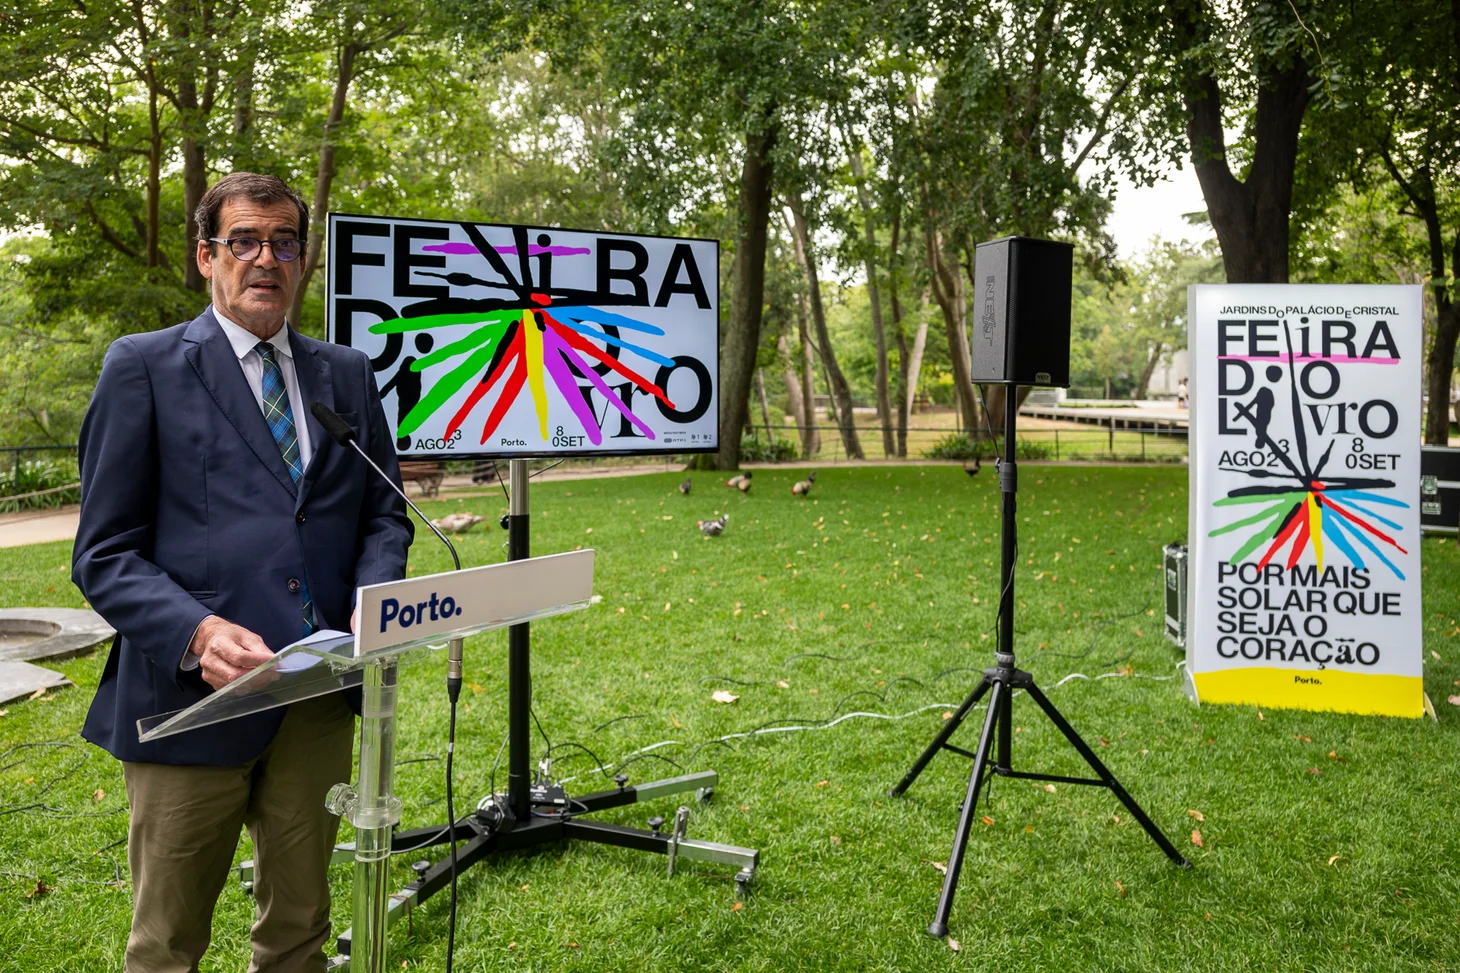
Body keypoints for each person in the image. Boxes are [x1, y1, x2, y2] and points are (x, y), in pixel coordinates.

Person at [71, 172, 414, 973]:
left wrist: (374, 596)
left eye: (285, 242)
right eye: (245, 241)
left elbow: (383, 513)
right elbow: (103, 551)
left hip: (318, 699)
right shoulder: (142, 366)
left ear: (303, 259)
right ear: (206, 256)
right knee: (167, 946)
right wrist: (195, 632)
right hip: (193, 700)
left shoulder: (347, 374)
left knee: (299, 934)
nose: (267, 258)